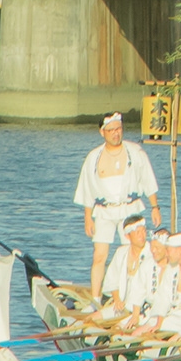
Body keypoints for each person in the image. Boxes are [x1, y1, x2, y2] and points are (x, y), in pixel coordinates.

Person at [74, 112, 160, 295]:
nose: (116, 133)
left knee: (132, 252)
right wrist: (87, 218)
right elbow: (87, 189)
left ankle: (130, 295)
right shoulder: (93, 157)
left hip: (129, 209)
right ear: (102, 132)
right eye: (111, 130)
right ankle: (96, 298)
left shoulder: (135, 152)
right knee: (99, 255)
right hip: (104, 211)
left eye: (119, 129)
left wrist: (155, 207)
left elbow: (148, 181)